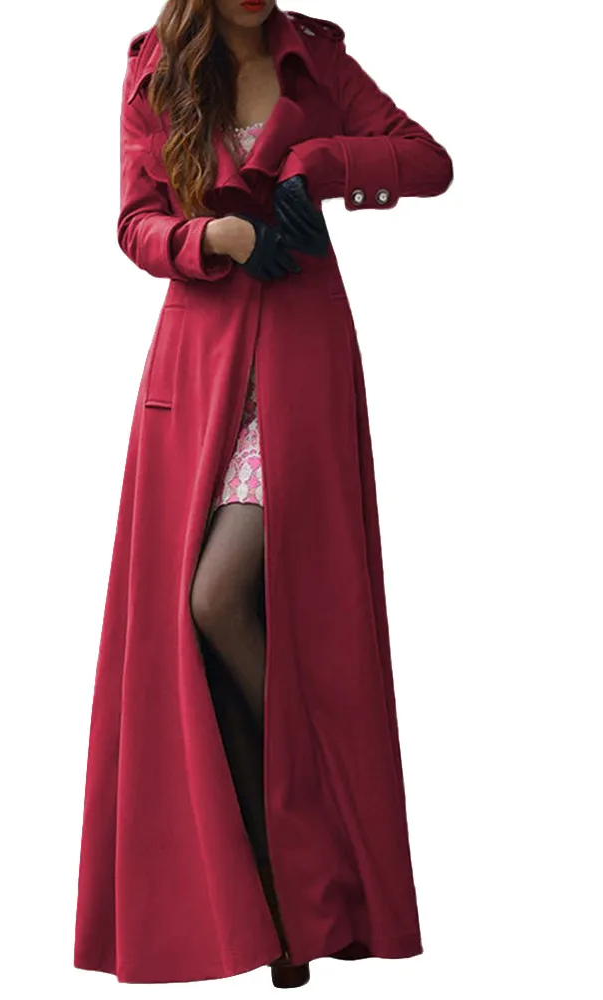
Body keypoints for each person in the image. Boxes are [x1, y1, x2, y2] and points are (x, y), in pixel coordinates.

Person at [73, 1, 453, 988]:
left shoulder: (316, 61)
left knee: (218, 600)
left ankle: (310, 797)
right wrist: (216, 240)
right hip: (195, 376)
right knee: (196, 640)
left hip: (297, 361)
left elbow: (428, 162)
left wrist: (316, 167)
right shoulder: (155, 70)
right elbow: (134, 222)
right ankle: (275, 910)